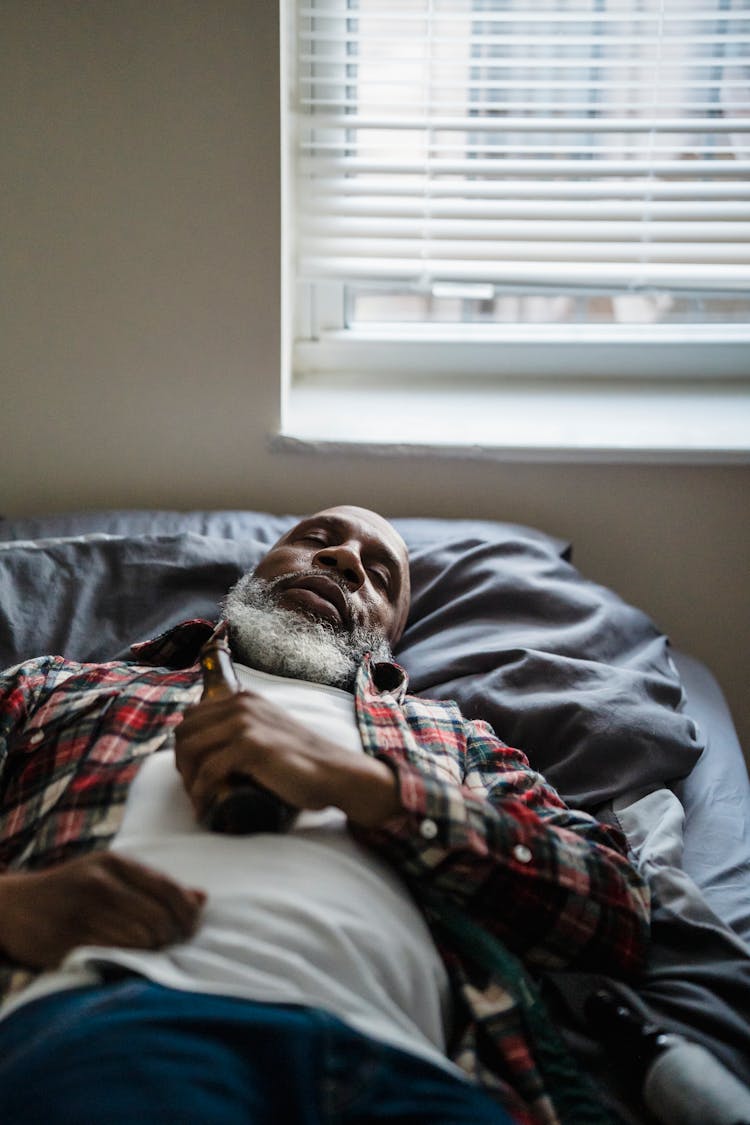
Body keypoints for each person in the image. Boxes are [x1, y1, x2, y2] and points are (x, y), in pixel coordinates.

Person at [0, 505, 650, 1125]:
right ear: (257, 570)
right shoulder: (58, 687)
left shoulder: (453, 738)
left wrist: (365, 786)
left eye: (381, 573)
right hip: (118, 1020)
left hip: (417, 1071)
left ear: (390, 631)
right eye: (318, 537)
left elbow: (615, 906)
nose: (343, 558)